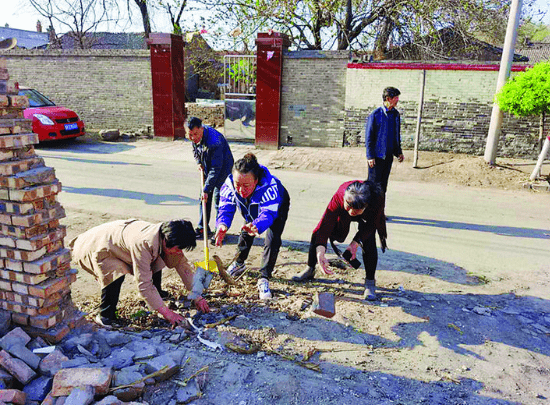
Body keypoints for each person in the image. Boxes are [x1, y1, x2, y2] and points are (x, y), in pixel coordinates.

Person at [70, 218, 210, 327]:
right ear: (167, 241)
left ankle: (158, 295)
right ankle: (106, 316)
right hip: (97, 247)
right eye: (179, 248)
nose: (180, 252)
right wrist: (168, 314)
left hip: (119, 242)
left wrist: (197, 295)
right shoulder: (144, 244)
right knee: (115, 272)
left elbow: (182, 265)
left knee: (161, 258)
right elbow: (143, 284)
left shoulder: (167, 234)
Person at [292, 180, 386, 300]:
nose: (352, 212)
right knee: (317, 232)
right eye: (349, 207)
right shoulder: (340, 195)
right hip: (343, 210)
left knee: (369, 240)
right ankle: (310, 268)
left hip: (368, 216)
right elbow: (326, 224)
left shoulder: (376, 199)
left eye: (356, 210)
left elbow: (372, 224)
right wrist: (320, 251)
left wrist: (355, 243)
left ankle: (370, 282)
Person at [214, 153, 290, 300]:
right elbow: (226, 207)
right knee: (246, 229)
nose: (241, 190)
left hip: (277, 205)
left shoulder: (270, 186)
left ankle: (264, 277)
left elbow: (268, 213)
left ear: (256, 180)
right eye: (238, 185)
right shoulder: (229, 185)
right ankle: (239, 263)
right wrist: (222, 225)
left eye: (246, 185)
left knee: (272, 238)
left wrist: (258, 224)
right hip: (253, 204)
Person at [187, 117, 234, 240]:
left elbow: (216, 169)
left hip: (222, 171)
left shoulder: (215, 142)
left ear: (202, 129)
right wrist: (198, 162)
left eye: (195, 134)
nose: (193, 137)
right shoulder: (194, 136)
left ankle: (220, 231)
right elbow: (195, 149)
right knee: (203, 199)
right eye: (190, 134)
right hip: (208, 168)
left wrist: (207, 189)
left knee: (219, 201)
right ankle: (203, 227)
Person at [365, 86, 405, 194]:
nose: (397, 100)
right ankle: (369, 210)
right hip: (377, 157)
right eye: (395, 98)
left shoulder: (396, 115)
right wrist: (370, 156)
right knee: (373, 187)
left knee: (383, 187)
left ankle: (380, 210)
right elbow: (369, 137)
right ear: (388, 98)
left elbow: (395, 135)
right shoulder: (376, 114)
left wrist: (398, 152)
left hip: (388, 157)